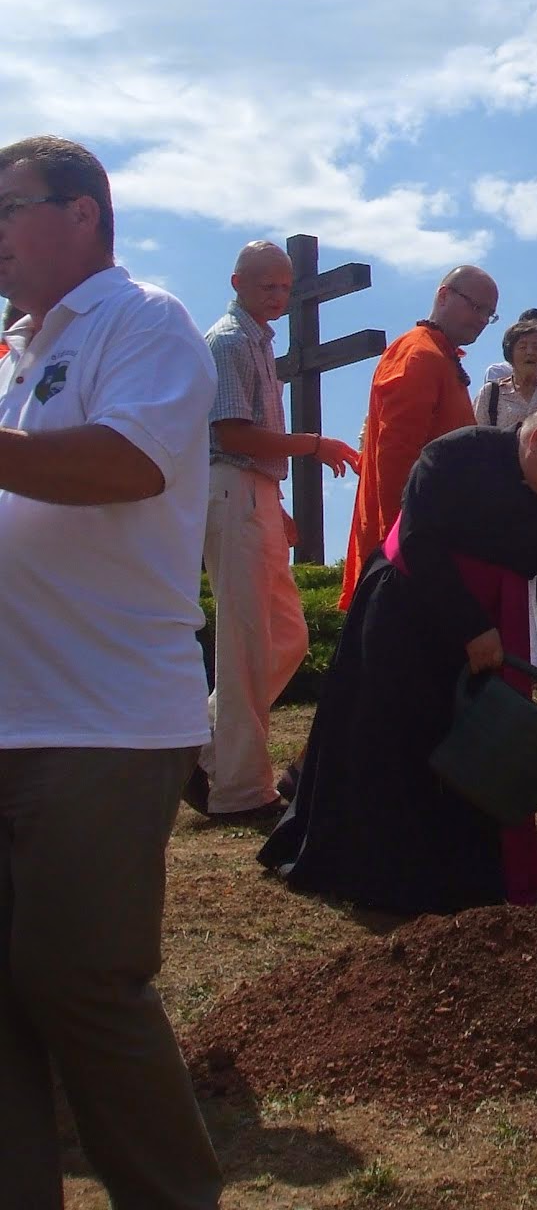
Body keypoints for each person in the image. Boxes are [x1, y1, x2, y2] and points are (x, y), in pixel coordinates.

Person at [0, 135, 222, 1209]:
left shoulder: (145, 323)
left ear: (86, 210)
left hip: (102, 718)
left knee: (78, 980)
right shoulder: (16, 350)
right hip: (14, 712)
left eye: (9, 206)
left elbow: (129, 460)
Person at [260, 399, 537, 913]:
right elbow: (419, 541)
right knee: (393, 736)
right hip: (408, 609)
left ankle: (463, 871)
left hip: (491, 623)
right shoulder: (454, 456)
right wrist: (471, 626)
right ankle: (377, 872)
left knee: (471, 745)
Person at [190, 241, 361, 822]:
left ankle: (202, 746)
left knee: (286, 636)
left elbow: (248, 444)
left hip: (253, 492)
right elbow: (232, 434)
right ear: (237, 282)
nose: (279, 296)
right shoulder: (228, 341)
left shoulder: (259, 342)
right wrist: (315, 445)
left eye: (285, 287)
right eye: (268, 285)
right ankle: (240, 791)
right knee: (244, 643)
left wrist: (277, 501)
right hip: (230, 489)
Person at [339, 266, 497, 608]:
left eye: (489, 313)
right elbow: (395, 455)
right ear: (443, 296)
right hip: (408, 552)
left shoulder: (439, 355)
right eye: (476, 306)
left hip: (428, 542)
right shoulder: (419, 355)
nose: (483, 318)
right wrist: (404, 543)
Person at [474, 318, 537, 430]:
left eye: (536, 347)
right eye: (523, 347)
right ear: (510, 353)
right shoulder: (490, 393)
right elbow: (477, 437)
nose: (530, 352)